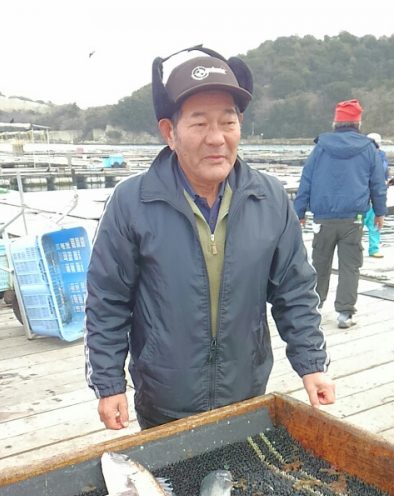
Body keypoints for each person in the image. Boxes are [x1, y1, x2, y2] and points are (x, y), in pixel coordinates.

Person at [85, 46, 335, 432]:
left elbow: (295, 292)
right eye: (199, 123)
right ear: (170, 132)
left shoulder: (268, 199)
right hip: (164, 397)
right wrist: (108, 383)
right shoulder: (132, 202)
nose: (217, 138)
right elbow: (108, 301)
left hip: (246, 391)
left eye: (228, 122)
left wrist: (311, 365)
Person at [293, 99, 388, 329]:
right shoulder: (368, 149)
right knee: (350, 266)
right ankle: (345, 313)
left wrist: (300, 211)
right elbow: (377, 184)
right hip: (353, 219)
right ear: (358, 122)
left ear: (336, 122)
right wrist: (380, 211)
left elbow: (306, 180)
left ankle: (315, 307)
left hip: (323, 218)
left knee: (319, 263)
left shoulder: (320, 147)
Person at [364, 132, 389, 258]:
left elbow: (384, 175)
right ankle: (371, 248)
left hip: (371, 196)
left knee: (373, 223)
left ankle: (374, 248)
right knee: (363, 222)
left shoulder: (381, 156)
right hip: (364, 196)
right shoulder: (379, 156)